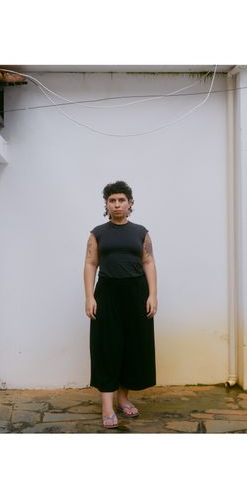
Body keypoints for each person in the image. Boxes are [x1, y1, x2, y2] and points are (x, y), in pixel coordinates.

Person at [83, 180, 157, 429]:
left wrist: (153, 295)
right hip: (107, 293)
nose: (117, 204)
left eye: (121, 200)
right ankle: (107, 406)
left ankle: (123, 399)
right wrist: (89, 296)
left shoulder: (141, 232)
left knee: (132, 346)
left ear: (130, 203)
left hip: (137, 293)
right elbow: (91, 263)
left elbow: (148, 262)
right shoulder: (97, 233)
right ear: (106, 204)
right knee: (107, 346)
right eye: (112, 200)